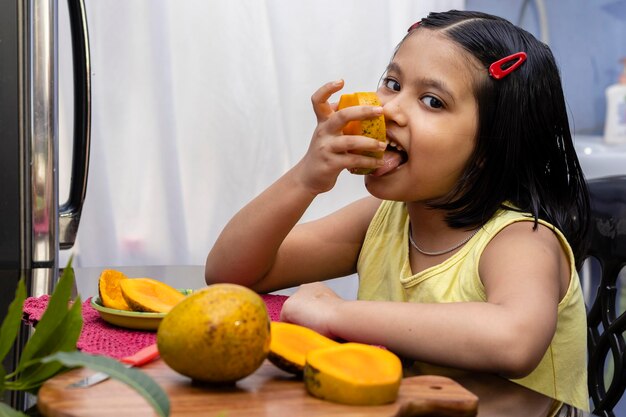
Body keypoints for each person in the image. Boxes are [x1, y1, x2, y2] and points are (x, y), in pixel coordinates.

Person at [205, 10, 590, 416]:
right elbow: (233, 274)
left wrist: (338, 314)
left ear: (491, 150)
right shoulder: (383, 218)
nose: (388, 110)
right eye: (392, 83)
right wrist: (305, 180)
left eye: (432, 101)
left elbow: (513, 340)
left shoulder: (520, 240)